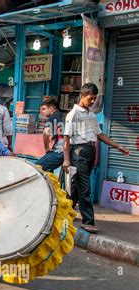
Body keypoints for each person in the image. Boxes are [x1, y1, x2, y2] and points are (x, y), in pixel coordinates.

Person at [63, 83, 130, 234]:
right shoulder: (73, 114)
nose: (92, 101)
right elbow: (66, 139)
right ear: (82, 95)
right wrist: (66, 159)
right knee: (85, 187)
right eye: (90, 98)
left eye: (94, 98)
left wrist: (117, 146)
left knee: (75, 188)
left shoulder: (91, 115)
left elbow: (100, 135)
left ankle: (65, 213)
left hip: (90, 150)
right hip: (77, 152)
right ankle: (88, 222)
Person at [35, 98, 65, 172]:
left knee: (36, 168)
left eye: (44, 109)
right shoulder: (63, 115)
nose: (42, 112)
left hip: (60, 152)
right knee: (48, 170)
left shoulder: (52, 118)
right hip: (68, 151)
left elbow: (45, 133)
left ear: (51, 108)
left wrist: (47, 148)